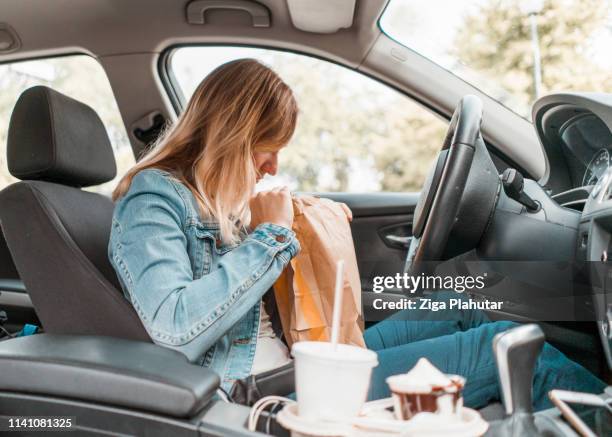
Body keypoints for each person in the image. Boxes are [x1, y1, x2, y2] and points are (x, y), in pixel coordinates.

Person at [109, 59, 604, 410]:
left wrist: (313, 226)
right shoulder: (154, 198)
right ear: (232, 136)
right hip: (263, 393)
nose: (273, 166)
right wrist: (271, 237)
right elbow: (175, 329)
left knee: (461, 306)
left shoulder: (216, 200)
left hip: (300, 359)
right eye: (267, 147)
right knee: (502, 345)